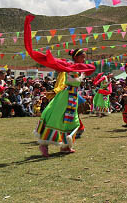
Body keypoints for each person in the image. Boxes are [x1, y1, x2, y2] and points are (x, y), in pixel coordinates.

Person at [24, 15, 96, 157]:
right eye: (82, 56)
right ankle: (44, 145)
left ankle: (64, 146)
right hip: (66, 95)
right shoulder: (66, 66)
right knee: (56, 118)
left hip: (73, 97)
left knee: (72, 121)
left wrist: (77, 67)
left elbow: (90, 68)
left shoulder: (79, 67)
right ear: (76, 57)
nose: (85, 58)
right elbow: (55, 65)